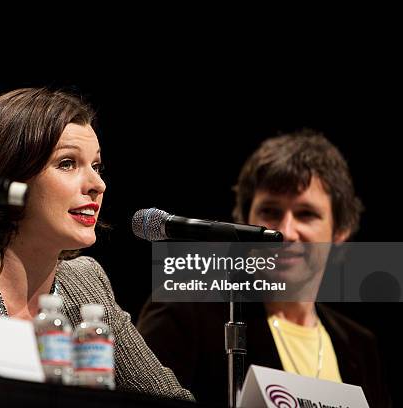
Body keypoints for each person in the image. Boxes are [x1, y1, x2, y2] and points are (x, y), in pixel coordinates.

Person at [0, 88, 193, 401]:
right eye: (67, 163)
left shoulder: (87, 283)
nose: (98, 184)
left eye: (96, 166)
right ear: (9, 176)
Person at [136, 130, 390, 407]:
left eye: (306, 214)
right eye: (270, 212)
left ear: (339, 232)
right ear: (244, 223)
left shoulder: (360, 345)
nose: (285, 231)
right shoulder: (184, 310)